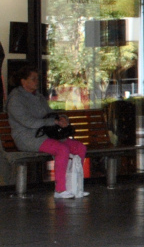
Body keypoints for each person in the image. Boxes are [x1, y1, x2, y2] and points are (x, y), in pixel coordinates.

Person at [5, 64, 87, 198]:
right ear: (23, 81)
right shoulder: (16, 99)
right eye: (33, 79)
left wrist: (62, 119)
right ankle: (60, 190)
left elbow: (51, 113)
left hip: (45, 135)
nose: (37, 82)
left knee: (79, 148)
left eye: (37, 78)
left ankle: (75, 186)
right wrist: (52, 122)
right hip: (28, 138)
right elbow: (28, 122)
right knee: (62, 149)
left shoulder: (38, 97)